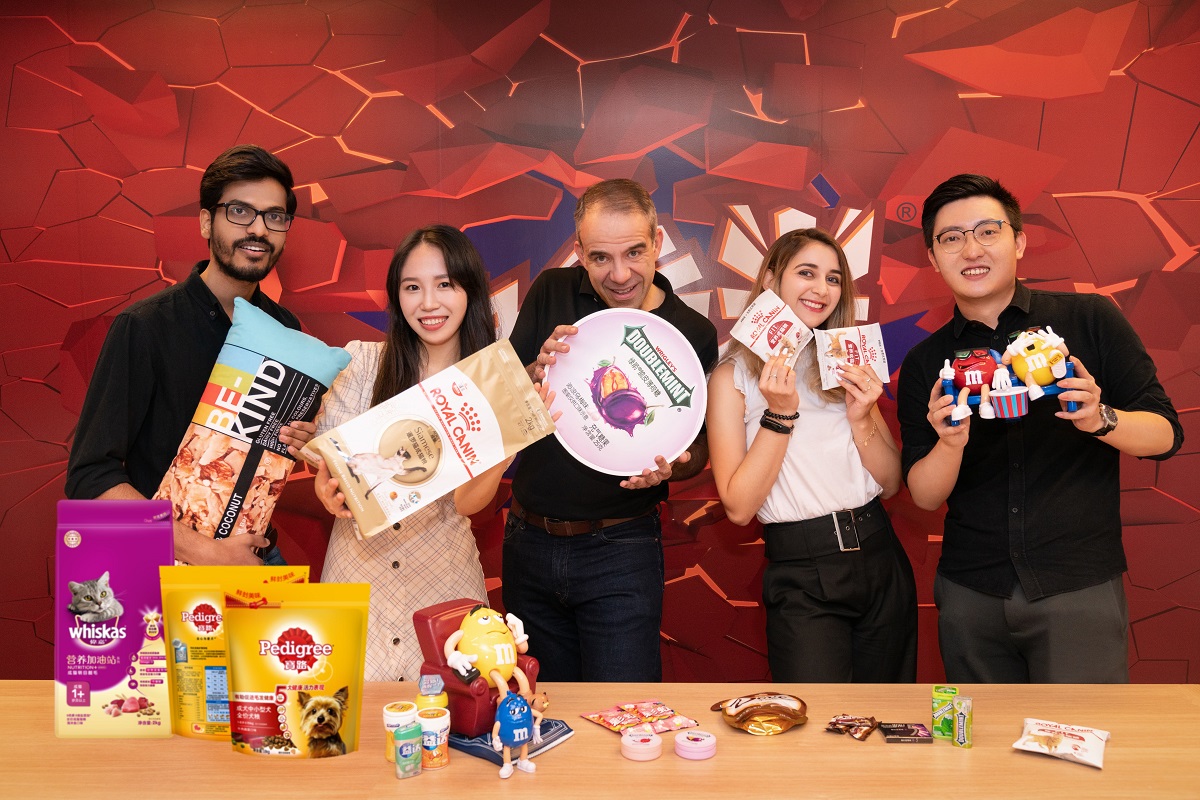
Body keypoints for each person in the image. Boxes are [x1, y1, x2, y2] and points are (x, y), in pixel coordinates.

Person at [897, 173, 1183, 683]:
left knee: (1082, 753)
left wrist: (1100, 418)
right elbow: (923, 494)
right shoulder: (927, 362)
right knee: (981, 758)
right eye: (952, 238)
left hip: (1076, 586)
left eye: (988, 231)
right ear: (934, 258)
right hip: (971, 593)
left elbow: (1165, 434)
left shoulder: (1088, 320)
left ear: (1019, 241)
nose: (971, 249)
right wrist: (949, 441)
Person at [504, 178, 719, 682]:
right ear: (578, 251)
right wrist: (534, 372)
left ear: (658, 242)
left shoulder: (692, 333)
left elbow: (700, 446)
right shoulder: (551, 291)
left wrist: (674, 466)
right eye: (600, 257)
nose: (620, 274)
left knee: (626, 717)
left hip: (621, 552)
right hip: (528, 543)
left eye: (635, 253)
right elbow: (500, 403)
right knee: (541, 716)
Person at [312, 225, 545, 682]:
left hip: (443, 581)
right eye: (412, 287)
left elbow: (467, 503)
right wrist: (328, 490)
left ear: (470, 291)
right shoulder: (360, 363)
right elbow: (334, 468)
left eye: (445, 284)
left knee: (449, 731)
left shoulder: (491, 384)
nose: (429, 303)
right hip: (357, 579)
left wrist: (511, 436)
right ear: (397, 297)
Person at [66, 144, 315, 566]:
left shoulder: (286, 329)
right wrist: (207, 552)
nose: (258, 229)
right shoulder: (145, 327)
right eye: (239, 211)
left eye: (274, 217)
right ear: (206, 222)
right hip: (160, 564)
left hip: (255, 557)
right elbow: (90, 476)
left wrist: (303, 440)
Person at [707, 228, 917, 682]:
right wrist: (780, 416)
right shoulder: (733, 376)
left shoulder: (845, 362)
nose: (821, 289)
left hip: (881, 556)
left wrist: (862, 418)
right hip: (803, 573)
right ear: (770, 280)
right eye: (807, 273)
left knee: (888, 724)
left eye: (834, 278)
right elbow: (738, 507)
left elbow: (893, 481)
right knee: (818, 733)